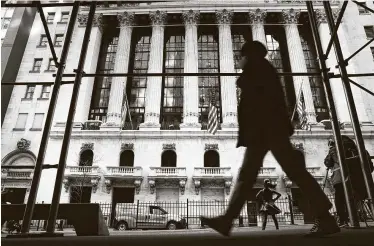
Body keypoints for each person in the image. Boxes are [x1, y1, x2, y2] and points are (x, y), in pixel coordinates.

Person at [200, 41, 339, 237]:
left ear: (249, 56)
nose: (239, 60)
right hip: (268, 130)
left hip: (266, 130)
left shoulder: (257, 71)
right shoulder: (262, 70)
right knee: (260, 174)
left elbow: (260, 103)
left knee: (279, 174)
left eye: (241, 56)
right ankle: (227, 220)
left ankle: (326, 218)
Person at [324, 135, 374, 227]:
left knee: (340, 198)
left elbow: (328, 163)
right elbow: (370, 167)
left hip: (340, 179)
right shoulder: (361, 149)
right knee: (367, 195)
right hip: (360, 180)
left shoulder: (334, 150)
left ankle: (343, 220)